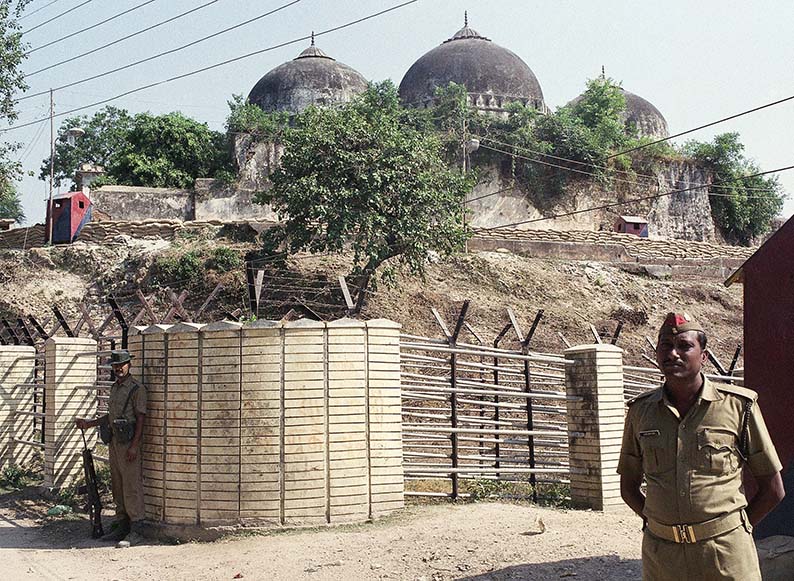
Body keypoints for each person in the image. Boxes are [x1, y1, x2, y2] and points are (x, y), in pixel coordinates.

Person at [618, 312, 785, 580]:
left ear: (703, 356)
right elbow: (628, 486)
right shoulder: (641, 412)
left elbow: (773, 489)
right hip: (663, 557)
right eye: (665, 346)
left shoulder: (738, 407)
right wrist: (659, 523)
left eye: (684, 346)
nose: (672, 354)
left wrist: (732, 531)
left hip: (725, 555)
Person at [75, 349, 147, 546]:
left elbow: (141, 418)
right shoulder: (115, 388)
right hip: (115, 442)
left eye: (121, 365)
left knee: (131, 486)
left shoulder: (136, 389)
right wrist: (89, 424)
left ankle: (137, 529)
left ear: (129, 365)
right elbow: (111, 416)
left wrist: (134, 446)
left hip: (129, 443)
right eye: (115, 366)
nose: (118, 369)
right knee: (118, 485)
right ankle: (121, 526)